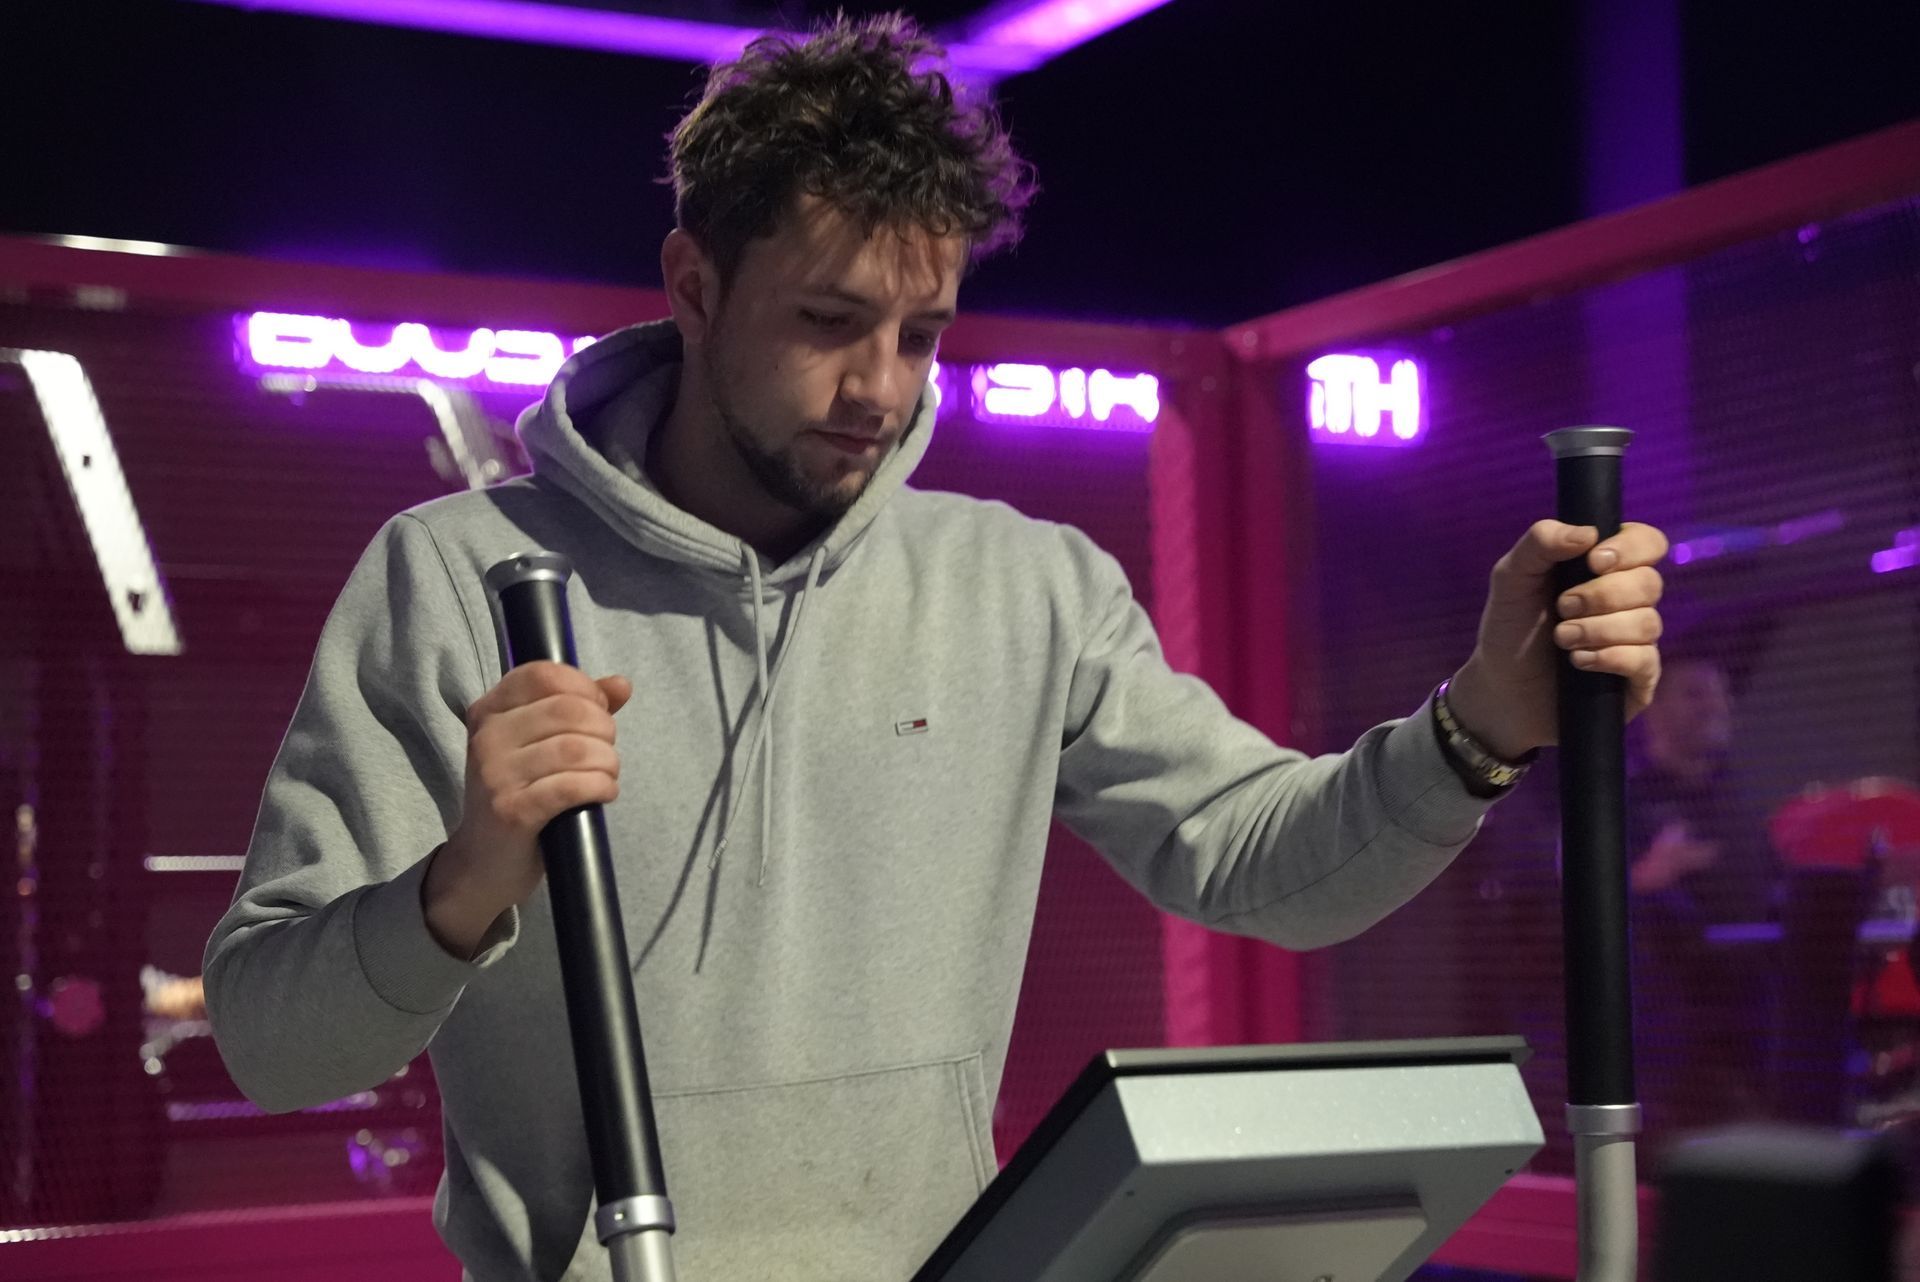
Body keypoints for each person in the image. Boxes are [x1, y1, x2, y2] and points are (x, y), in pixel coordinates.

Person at [204, 15, 1667, 1281]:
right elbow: (273, 1041)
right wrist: (460, 891)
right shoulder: (461, 577)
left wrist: (1484, 720)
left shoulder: (1023, 586)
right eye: (829, 321)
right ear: (695, 284)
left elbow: (1257, 858)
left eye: (923, 333)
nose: (880, 388)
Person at [1626, 644, 1779, 1134]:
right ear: (1652, 708)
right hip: (1669, 1054)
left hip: (1753, 1034)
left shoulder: (1740, 801)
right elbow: (1560, 919)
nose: (1716, 706)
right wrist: (1644, 880)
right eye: (1695, 694)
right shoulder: (1618, 805)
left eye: (1721, 694)